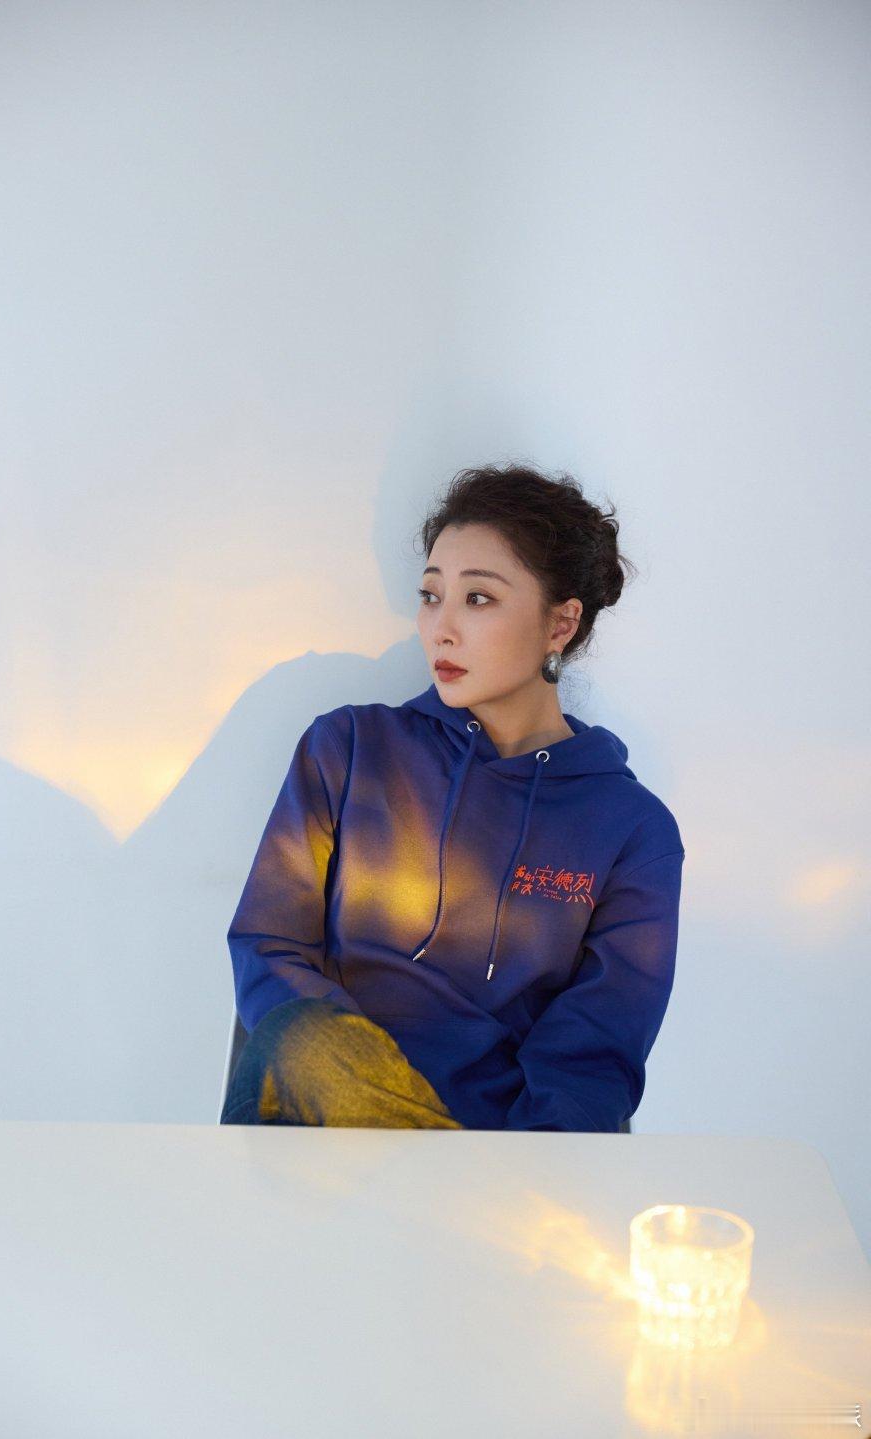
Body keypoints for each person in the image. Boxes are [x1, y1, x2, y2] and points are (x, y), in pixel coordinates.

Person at [222, 461, 685, 1131]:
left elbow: (593, 1054)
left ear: (560, 625)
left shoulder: (632, 830)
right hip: (320, 1125)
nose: (440, 627)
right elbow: (270, 947)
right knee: (310, 1043)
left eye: (478, 598)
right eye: (431, 594)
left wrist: (514, 1171)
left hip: (498, 1152)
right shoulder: (348, 749)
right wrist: (363, 1085)